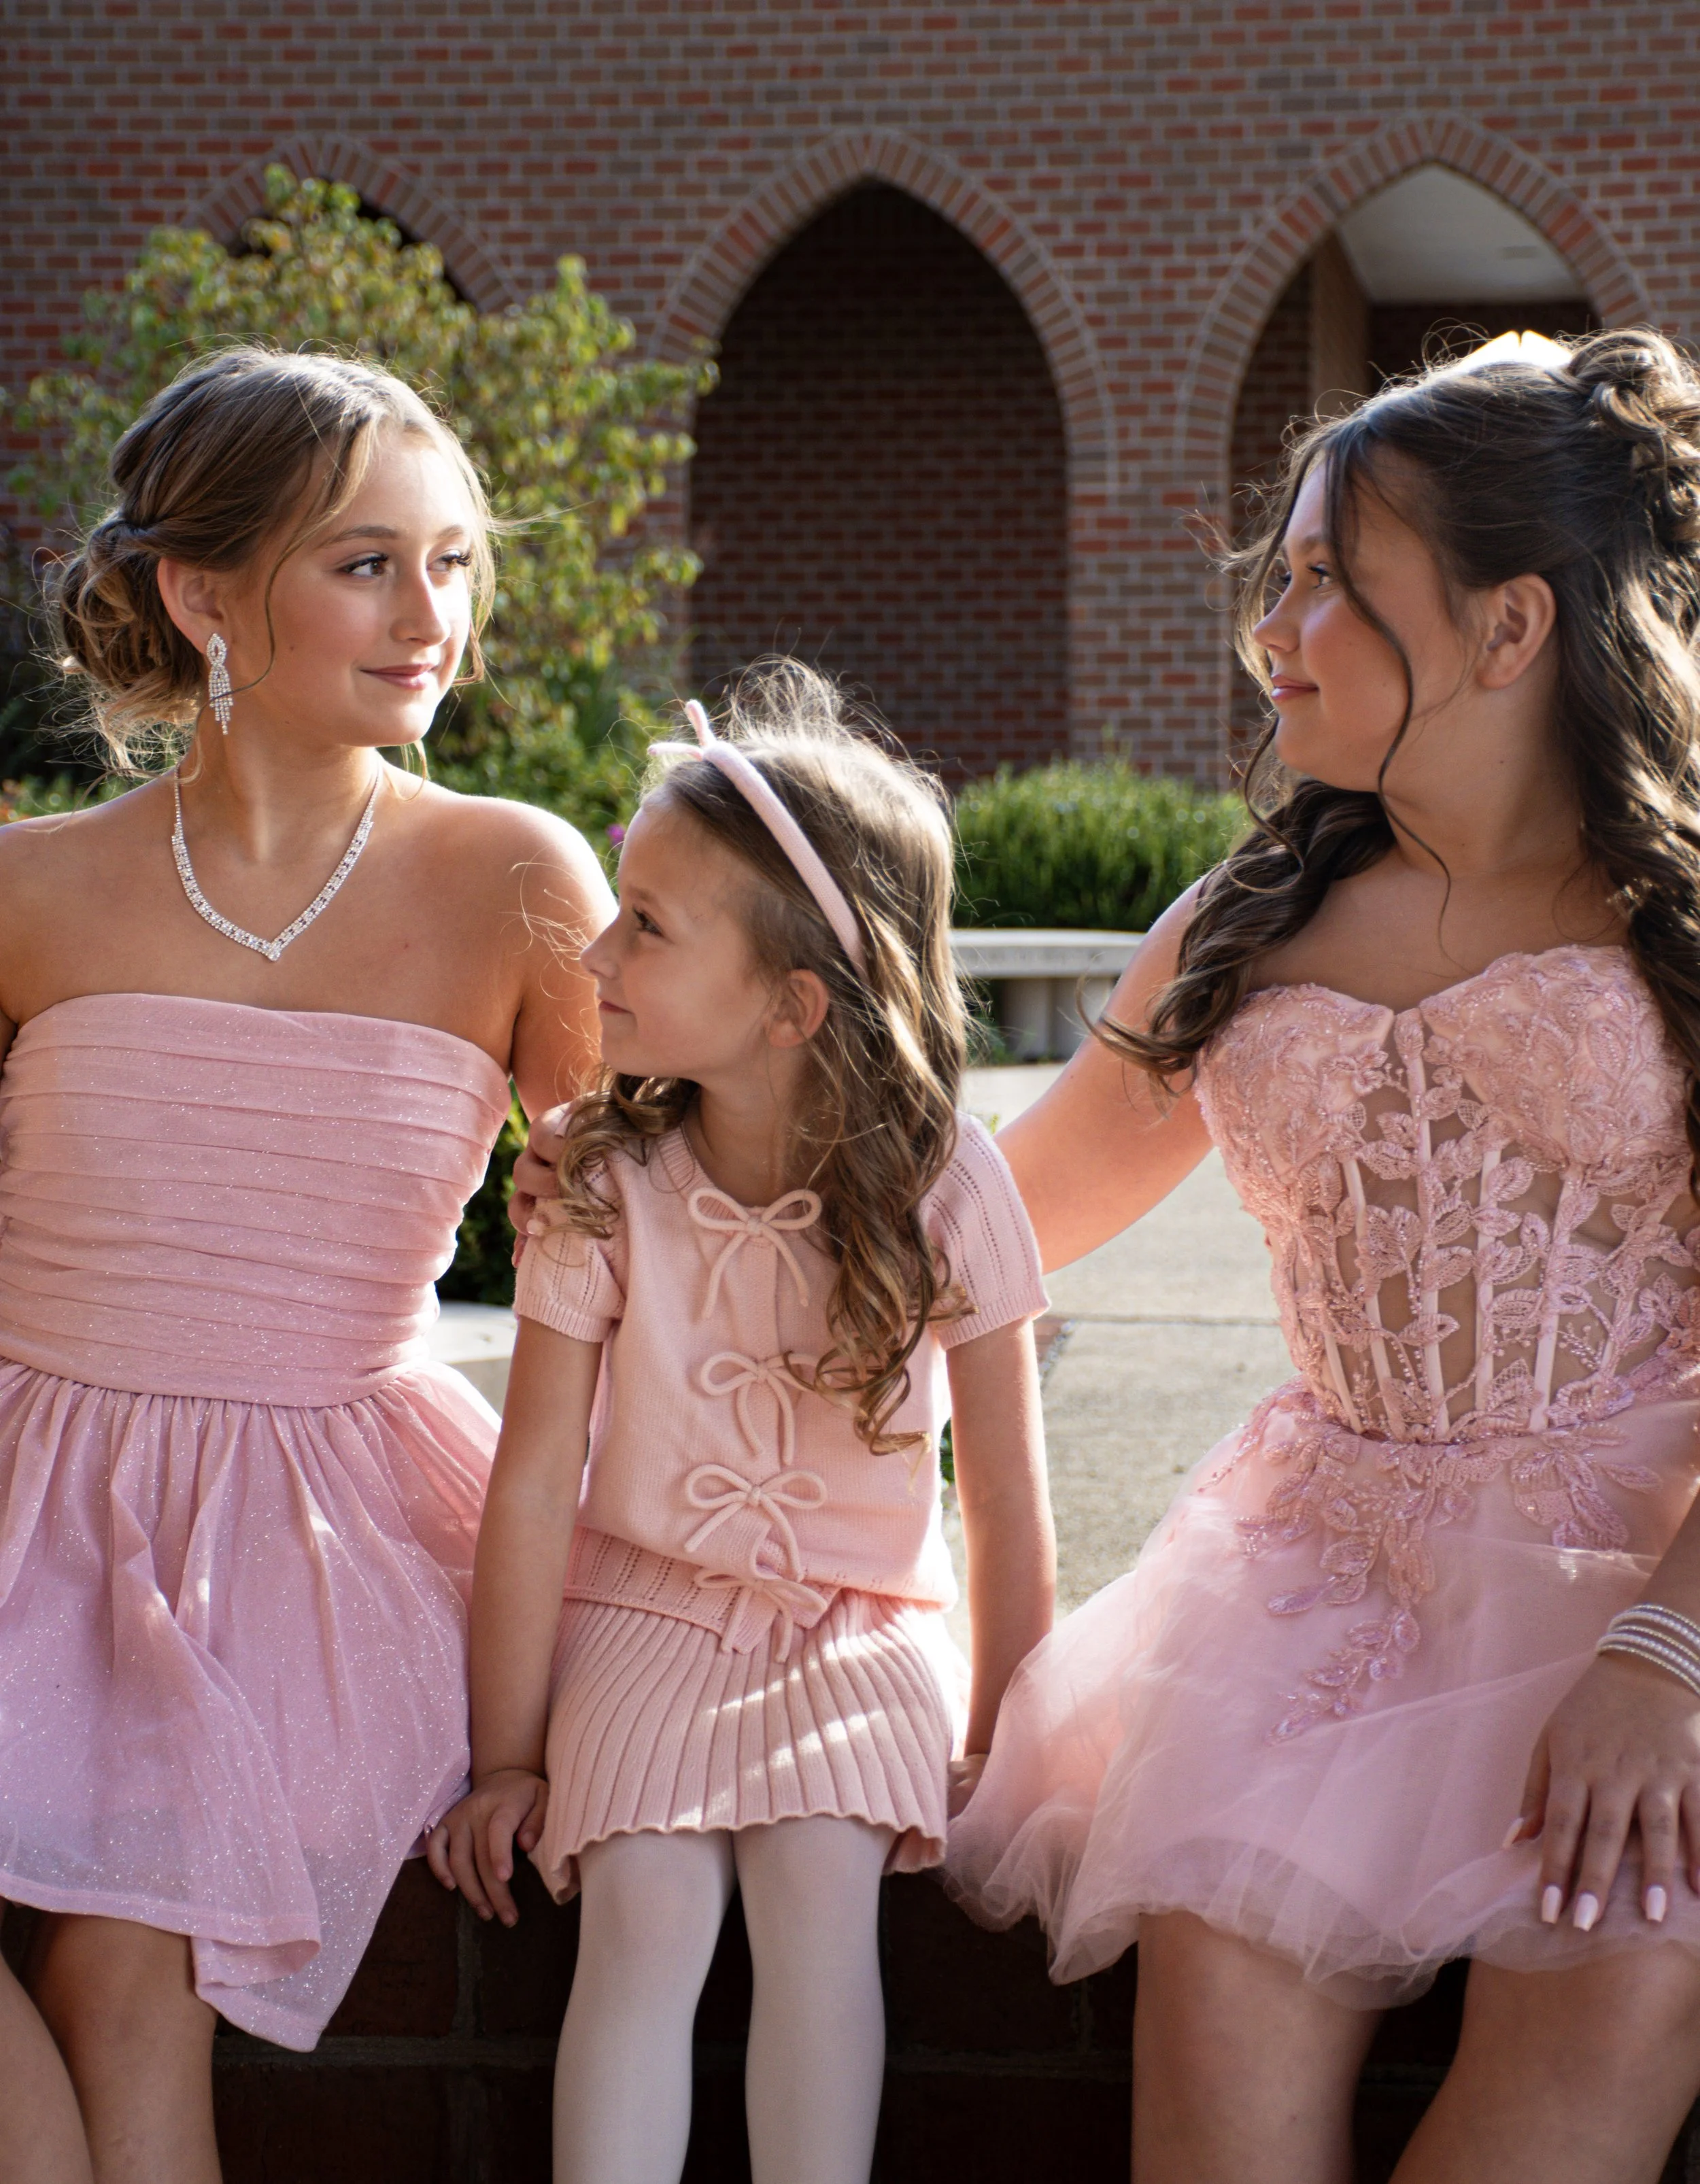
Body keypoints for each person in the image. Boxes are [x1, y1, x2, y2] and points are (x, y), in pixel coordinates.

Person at [940, 328, 1700, 2184]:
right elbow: (994, 1221)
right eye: (1271, 579)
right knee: (1212, 2095)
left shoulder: (1674, 921)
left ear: (1506, 626)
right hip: (1308, 1609)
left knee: (1602, 2006)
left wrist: (1663, 1655)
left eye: (1320, 583)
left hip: (1644, 1588)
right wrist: (693, 1173)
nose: (1265, 630)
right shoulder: (1244, 924)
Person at [0, 345, 610, 2184]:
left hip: (319, 1530)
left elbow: (660, 1254)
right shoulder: (27, 888)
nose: (432, 616)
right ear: (205, 597)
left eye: (454, 562)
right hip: (30, 1492)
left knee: (132, 1961)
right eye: (366, 564)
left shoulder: (518, 877)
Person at [434, 666, 1055, 2184]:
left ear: (792, 1004)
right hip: (642, 1610)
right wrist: (507, 1758)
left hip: (861, 1626)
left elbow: (1004, 1500)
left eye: (646, 924)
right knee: (643, 1910)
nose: (595, 951)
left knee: (820, 1892)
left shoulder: (948, 1186)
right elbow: (535, 1483)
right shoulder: (598, 1174)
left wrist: (999, 1741)